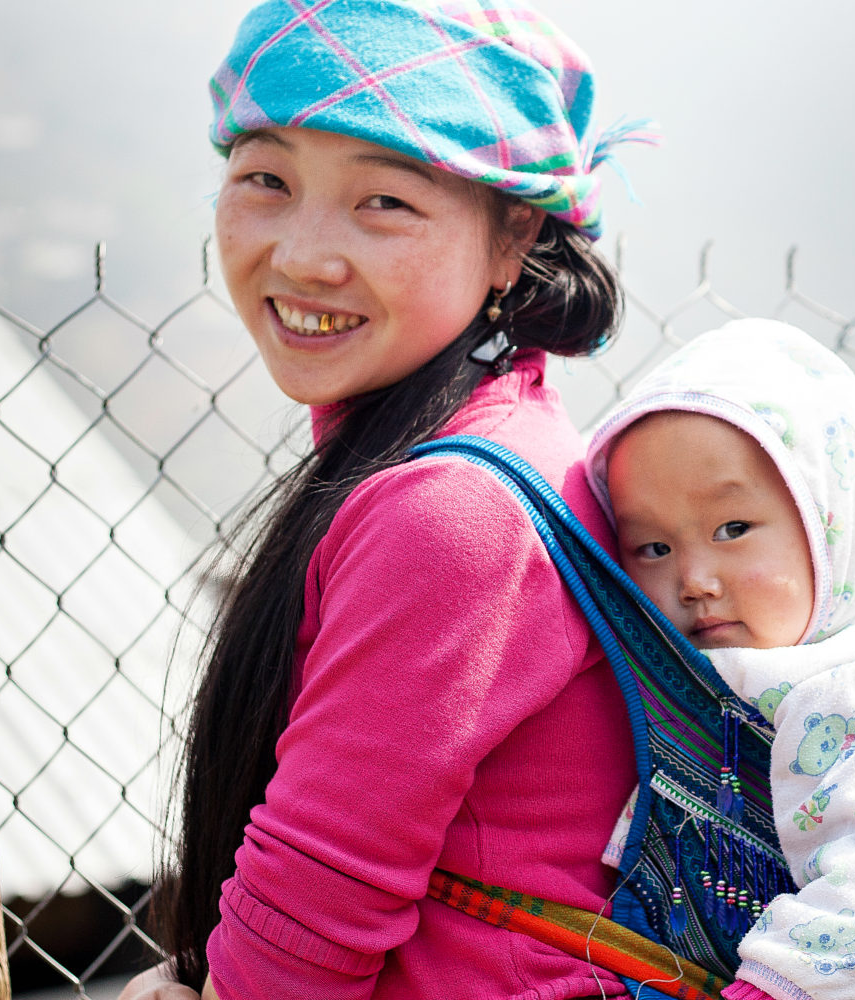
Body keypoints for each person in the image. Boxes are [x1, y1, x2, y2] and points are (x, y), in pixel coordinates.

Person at [120, 2, 659, 998]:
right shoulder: (507, 440)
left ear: (514, 241)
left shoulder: (451, 513)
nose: (302, 257)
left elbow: (302, 936)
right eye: (265, 180)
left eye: (385, 203)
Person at [584, 320, 855, 1000]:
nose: (695, 579)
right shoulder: (708, 661)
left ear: (828, 517)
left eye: (733, 529)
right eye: (652, 547)